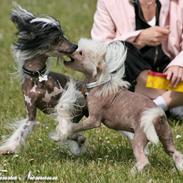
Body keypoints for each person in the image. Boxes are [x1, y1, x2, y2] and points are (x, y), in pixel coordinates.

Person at [91, 0, 183, 115]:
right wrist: (138, 38)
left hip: (171, 77)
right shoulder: (108, 2)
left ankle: (156, 105)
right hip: (136, 77)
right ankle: (172, 100)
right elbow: (98, 48)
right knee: (120, 49)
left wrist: (179, 64)